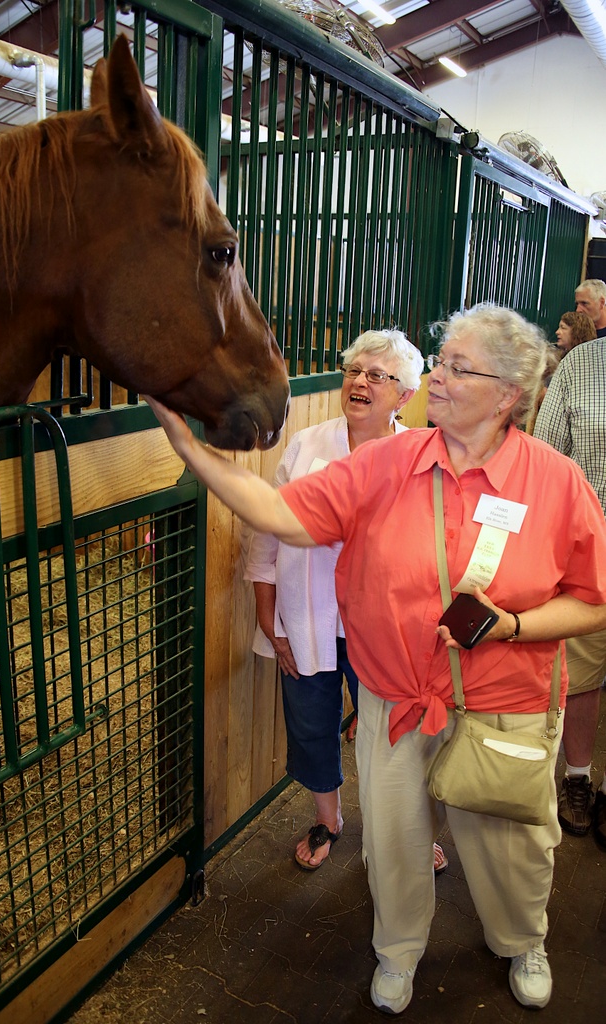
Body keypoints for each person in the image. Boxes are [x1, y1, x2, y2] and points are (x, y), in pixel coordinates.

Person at [143, 303, 606, 1014]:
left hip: (506, 702)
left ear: (507, 393)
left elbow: (592, 600)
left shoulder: (555, 482)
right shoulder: (385, 464)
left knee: (511, 845)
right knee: (393, 841)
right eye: (440, 359)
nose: (437, 378)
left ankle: (521, 937)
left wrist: (511, 623)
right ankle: (397, 951)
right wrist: (189, 450)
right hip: (394, 696)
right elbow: (278, 514)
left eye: (457, 366)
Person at [244, 330, 447, 873]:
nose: (360, 382)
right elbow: (266, 531)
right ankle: (329, 819)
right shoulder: (307, 445)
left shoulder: (420, 457)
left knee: (393, 728)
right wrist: (268, 614)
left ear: (405, 396)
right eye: (354, 370)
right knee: (310, 720)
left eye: (377, 376)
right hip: (307, 613)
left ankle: (405, 827)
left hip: (383, 623)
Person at [534, 325, 606, 848]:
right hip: (589, 548)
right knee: (582, 673)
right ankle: (577, 779)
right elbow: (545, 453)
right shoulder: (582, 365)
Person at [525, 312, 594, 435]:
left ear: (577, 331)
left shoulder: (585, 366)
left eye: (563, 328)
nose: (557, 332)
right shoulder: (555, 358)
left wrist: (544, 395)